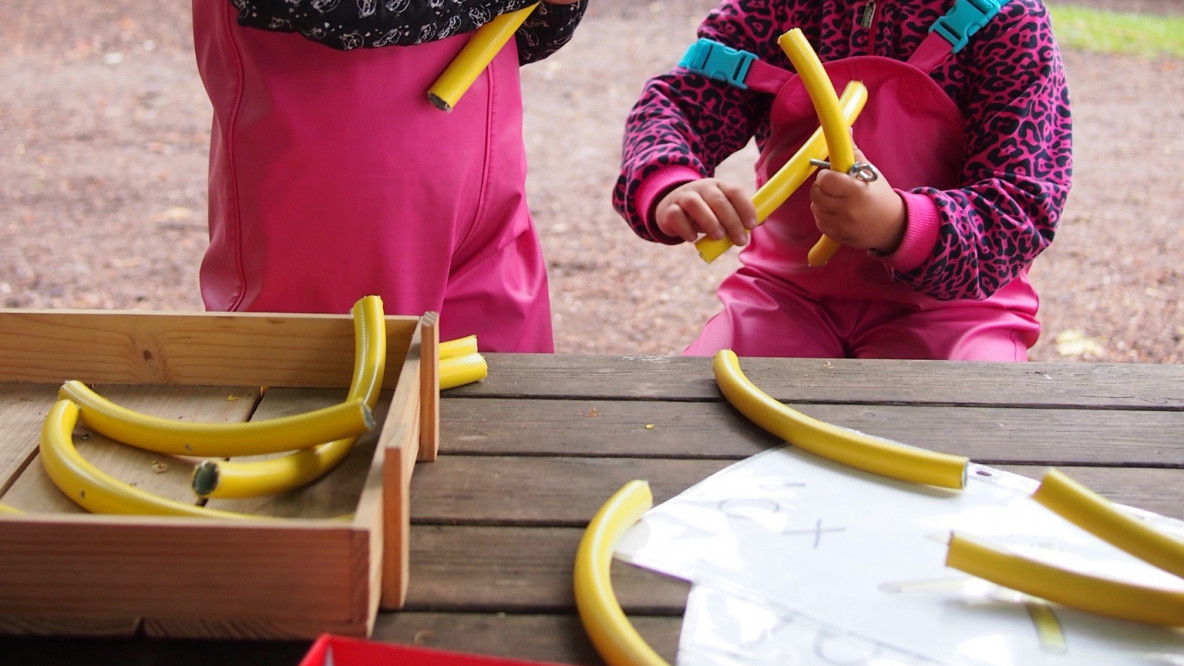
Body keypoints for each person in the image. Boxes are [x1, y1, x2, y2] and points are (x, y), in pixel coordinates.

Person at [612, 0, 1072, 360]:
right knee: (711, 424)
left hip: (958, 311)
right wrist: (671, 183)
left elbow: (1021, 205)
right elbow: (679, 106)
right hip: (785, 295)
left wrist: (900, 223)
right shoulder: (771, 9)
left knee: (958, 441)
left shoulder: (1011, 24)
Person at [192, 0, 587, 352]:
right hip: (340, 191)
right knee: (320, 399)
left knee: (510, 413)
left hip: (487, 185)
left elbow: (529, 34)